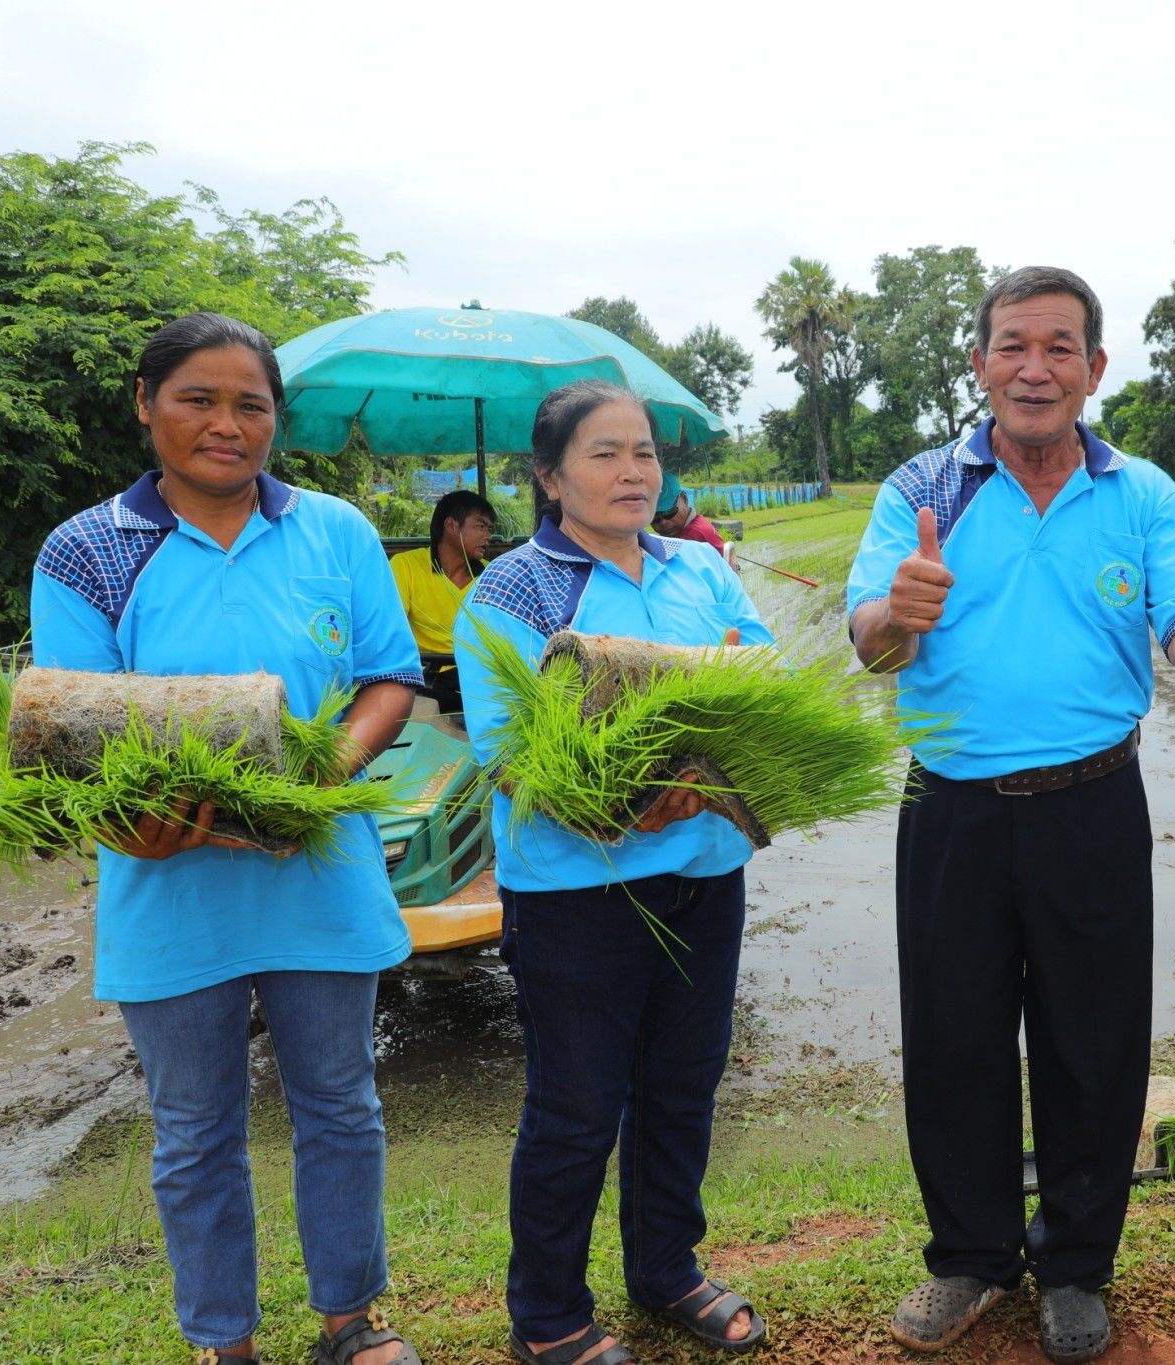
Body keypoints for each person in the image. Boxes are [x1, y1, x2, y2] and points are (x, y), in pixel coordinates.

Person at [844, 266, 1175, 1364]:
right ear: (978, 363)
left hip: (1090, 805)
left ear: (1094, 368)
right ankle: (970, 1260)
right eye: (1012, 345)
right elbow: (870, 641)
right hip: (949, 808)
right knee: (953, 1038)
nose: (1034, 367)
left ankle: (1074, 1268)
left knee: (1093, 1043)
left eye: (1059, 347)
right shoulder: (922, 486)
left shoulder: (1142, 496)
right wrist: (901, 611)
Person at [30, 312, 424, 1365]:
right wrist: (134, 826)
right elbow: (67, 730)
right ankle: (222, 1340)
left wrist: (327, 772)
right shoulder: (87, 550)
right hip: (168, 889)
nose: (225, 423)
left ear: (274, 420)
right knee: (195, 1133)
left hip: (320, 875)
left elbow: (392, 675)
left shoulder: (334, 531)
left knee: (340, 1109)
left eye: (250, 403)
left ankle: (350, 1320)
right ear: (145, 403)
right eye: (197, 398)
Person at [452, 380, 771, 1365]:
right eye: (603, 453)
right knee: (576, 1105)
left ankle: (666, 1270)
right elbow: (509, 757)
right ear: (549, 477)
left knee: (683, 1085)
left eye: (642, 452)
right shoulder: (511, 593)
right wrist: (623, 801)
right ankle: (547, 1317)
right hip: (577, 896)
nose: (633, 471)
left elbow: (757, 673)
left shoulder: (699, 569)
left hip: (706, 873)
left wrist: (715, 756)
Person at [389, 489, 495, 714]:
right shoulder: (406, 565)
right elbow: (390, 629)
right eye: (480, 526)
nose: (488, 536)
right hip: (425, 674)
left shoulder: (491, 575)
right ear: (451, 525)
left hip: (476, 673)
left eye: (489, 529)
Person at [651, 471, 728, 553]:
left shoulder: (694, 536)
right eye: (654, 516)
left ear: (684, 498)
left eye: (669, 512)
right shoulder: (693, 525)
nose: (663, 522)